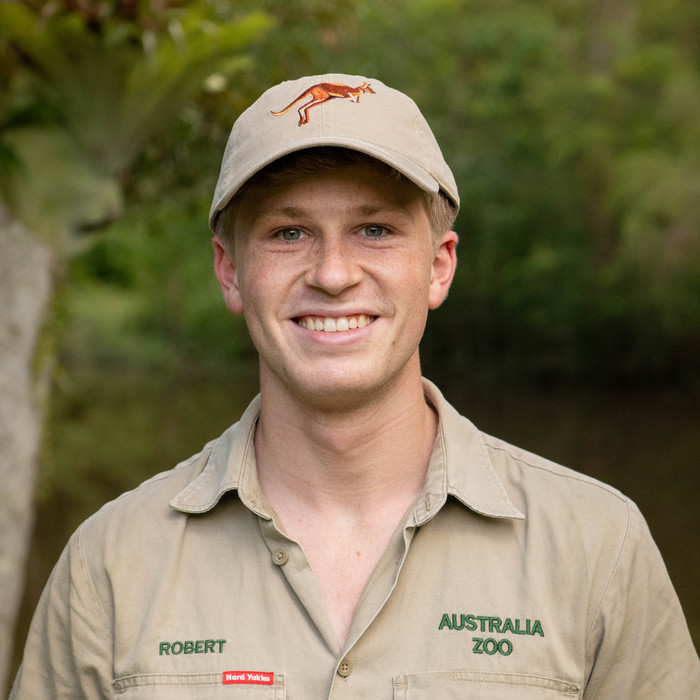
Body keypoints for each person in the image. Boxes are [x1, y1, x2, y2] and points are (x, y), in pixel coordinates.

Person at [11, 73, 699, 698]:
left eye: (374, 229)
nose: (333, 273)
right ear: (229, 272)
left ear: (438, 266)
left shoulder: (596, 547)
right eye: (288, 233)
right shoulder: (109, 566)